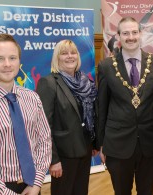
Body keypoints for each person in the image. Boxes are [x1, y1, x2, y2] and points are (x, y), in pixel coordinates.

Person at [98, 16, 153, 195]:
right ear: (118, 36)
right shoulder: (106, 66)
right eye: (125, 33)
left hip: (151, 142)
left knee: (147, 191)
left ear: (140, 34)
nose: (130, 37)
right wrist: (101, 143)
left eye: (134, 32)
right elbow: (102, 106)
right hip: (117, 144)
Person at [0, 33, 51, 194]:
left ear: (19, 61)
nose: (7, 64)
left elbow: (44, 141)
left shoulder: (32, 97)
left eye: (12, 58)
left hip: (32, 186)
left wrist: (37, 182)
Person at [36, 39, 98, 195]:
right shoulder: (48, 83)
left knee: (81, 191)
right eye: (64, 53)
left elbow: (91, 115)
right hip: (63, 155)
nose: (70, 56)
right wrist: (53, 159)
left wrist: (94, 142)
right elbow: (43, 126)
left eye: (73, 52)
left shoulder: (86, 82)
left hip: (85, 148)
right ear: (57, 58)